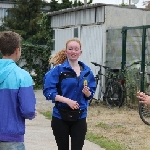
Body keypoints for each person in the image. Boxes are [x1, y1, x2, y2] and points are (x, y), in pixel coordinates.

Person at [43, 38, 96, 150]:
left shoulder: (87, 71)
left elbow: (91, 94)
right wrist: (66, 101)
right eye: (70, 49)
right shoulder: (58, 70)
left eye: (76, 49)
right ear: (66, 51)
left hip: (80, 116)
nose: (73, 51)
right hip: (60, 116)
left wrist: (88, 93)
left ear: (80, 52)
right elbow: (48, 92)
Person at [0, 31, 36, 150]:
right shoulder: (23, 76)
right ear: (17, 50)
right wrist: (30, 113)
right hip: (11, 136)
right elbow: (27, 109)